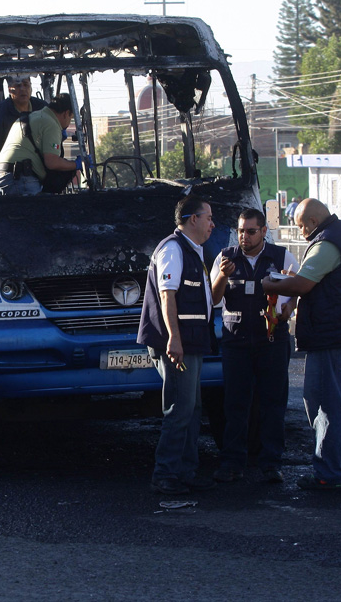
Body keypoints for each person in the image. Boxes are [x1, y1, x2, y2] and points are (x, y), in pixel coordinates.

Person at [262, 198, 341, 490]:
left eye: (302, 226)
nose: (301, 231)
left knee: (326, 406)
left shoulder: (326, 242)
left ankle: (329, 474)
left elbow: (303, 285)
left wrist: (271, 286)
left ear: (314, 222)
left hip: (337, 340)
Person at [209, 208, 300, 484]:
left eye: (250, 231)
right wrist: (223, 276)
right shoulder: (226, 256)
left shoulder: (281, 257)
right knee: (235, 404)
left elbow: (295, 294)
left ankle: (271, 463)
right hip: (236, 342)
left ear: (263, 231)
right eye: (240, 231)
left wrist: (287, 310)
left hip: (271, 341)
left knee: (273, 403)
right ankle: (232, 462)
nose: (244, 237)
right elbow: (212, 299)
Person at [136, 195, 217, 495]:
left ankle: (186, 470)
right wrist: (174, 338)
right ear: (192, 219)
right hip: (179, 343)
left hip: (192, 341)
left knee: (192, 408)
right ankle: (166, 473)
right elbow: (168, 296)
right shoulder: (173, 249)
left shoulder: (193, 250)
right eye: (208, 217)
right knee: (179, 409)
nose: (212, 223)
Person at [0, 93, 79, 196]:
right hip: (21, 180)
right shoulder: (51, 124)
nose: (69, 123)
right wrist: (76, 164)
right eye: (71, 117)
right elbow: (52, 162)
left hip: (1, 177)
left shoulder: (35, 116)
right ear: (66, 113)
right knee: (36, 211)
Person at [0, 75, 46, 191]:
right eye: (18, 86)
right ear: (9, 89)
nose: (22, 89)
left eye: (26, 85)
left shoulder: (43, 109)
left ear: (31, 88)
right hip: (8, 178)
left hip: (40, 178)